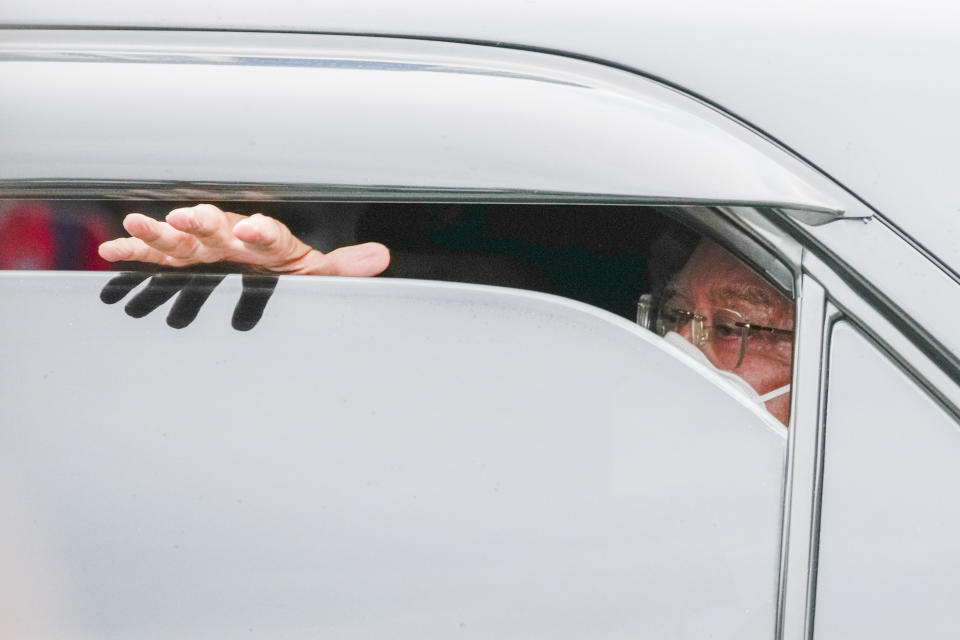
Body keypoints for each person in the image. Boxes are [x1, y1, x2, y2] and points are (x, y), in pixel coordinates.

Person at [98, 203, 794, 424]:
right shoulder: (579, 445)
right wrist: (303, 321)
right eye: (671, 313)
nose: (677, 346)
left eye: (736, 326)